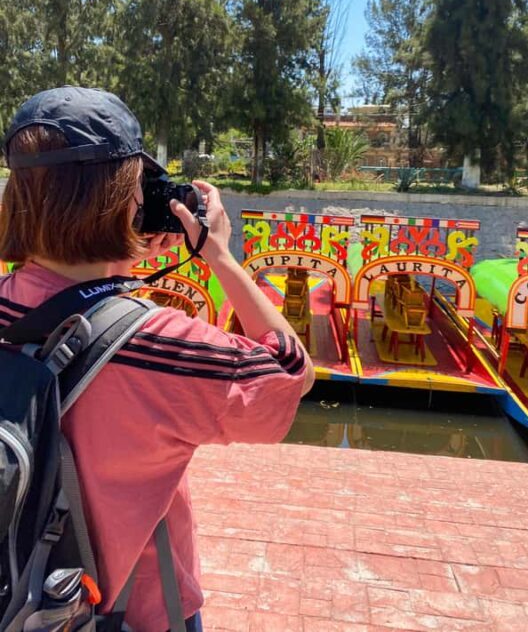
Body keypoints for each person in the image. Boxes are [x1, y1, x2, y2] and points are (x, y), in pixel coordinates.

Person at [0, 86, 314, 632]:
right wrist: (218, 254)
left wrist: (118, 254)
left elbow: (68, 297)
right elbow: (288, 372)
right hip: (131, 611)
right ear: (125, 197)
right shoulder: (159, 343)